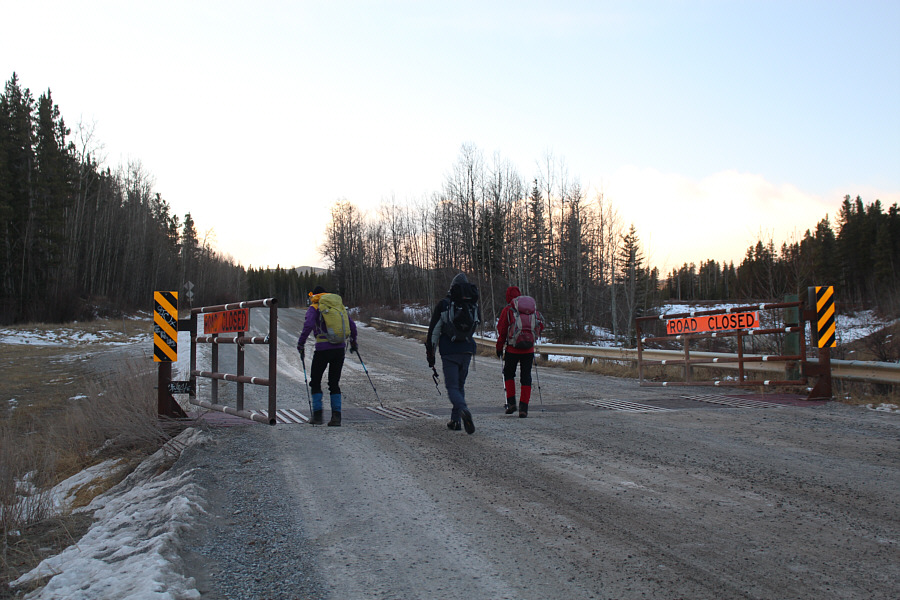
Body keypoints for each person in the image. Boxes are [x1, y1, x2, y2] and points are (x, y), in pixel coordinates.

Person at [297, 285, 358, 426]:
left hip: (322, 350)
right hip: (339, 349)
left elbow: (308, 325)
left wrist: (301, 343)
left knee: (315, 381)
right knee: (334, 383)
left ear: (315, 296)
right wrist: (354, 342)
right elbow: (352, 325)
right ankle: (336, 418)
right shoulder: (337, 306)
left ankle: (317, 416)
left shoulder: (314, 307)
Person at [426, 273, 478, 434]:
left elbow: (434, 332)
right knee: (460, 386)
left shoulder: (444, 305)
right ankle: (455, 421)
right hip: (467, 350)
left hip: (449, 351)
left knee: (452, 387)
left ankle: (463, 410)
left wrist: (430, 355)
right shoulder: (472, 304)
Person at [495, 286, 544, 418]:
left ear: (507, 297)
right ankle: (524, 408)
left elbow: (502, 330)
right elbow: (540, 325)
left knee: (509, 374)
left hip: (513, 349)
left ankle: (511, 403)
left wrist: (499, 347)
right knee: (526, 377)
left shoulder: (508, 310)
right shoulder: (531, 310)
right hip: (528, 349)